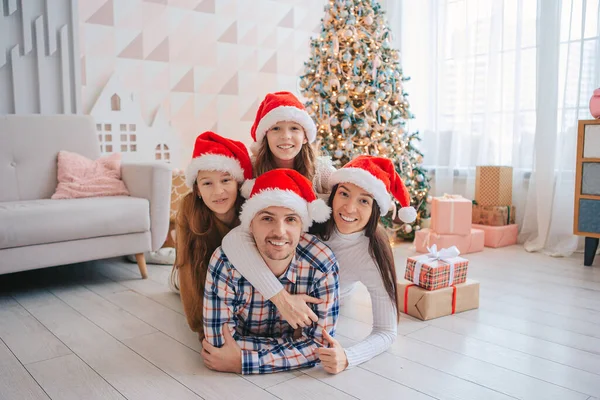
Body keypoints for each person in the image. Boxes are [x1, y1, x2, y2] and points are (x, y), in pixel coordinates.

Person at [221, 156, 417, 374]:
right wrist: (280, 297)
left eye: (364, 201)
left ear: (376, 210)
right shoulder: (313, 213)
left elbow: (387, 331)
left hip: (319, 311)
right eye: (344, 194)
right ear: (333, 194)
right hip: (271, 300)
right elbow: (234, 239)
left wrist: (348, 357)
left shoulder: (373, 254)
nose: (349, 208)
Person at [201, 169, 340, 374]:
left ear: (303, 227)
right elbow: (219, 347)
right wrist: (296, 344)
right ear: (250, 224)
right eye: (267, 218)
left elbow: (319, 346)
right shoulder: (225, 262)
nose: (279, 231)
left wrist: (245, 361)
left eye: (291, 219)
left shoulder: (321, 264)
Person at [170, 131, 253, 342]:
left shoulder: (250, 210)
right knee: (178, 284)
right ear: (197, 189)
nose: (218, 192)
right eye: (207, 183)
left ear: (238, 183)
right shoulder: (189, 208)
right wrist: (204, 328)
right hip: (203, 271)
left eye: (226, 180)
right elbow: (187, 267)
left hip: (238, 282)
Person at [250, 91, 335, 195]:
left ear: (305, 137)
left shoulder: (319, 169)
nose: (286, 136)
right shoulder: (251, 168)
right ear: (265, 137)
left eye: (294, 128)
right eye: (276, 128)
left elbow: (347, 187)